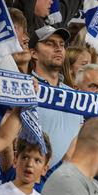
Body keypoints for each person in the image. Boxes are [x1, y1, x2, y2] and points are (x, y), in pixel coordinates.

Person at [30, 25, 83, 168]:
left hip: (66, 179)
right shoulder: (26, 90)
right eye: (49, 43)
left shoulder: (73, 95)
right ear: (33, 53)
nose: (58, 48)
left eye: (61, 44)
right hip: (33, 177)